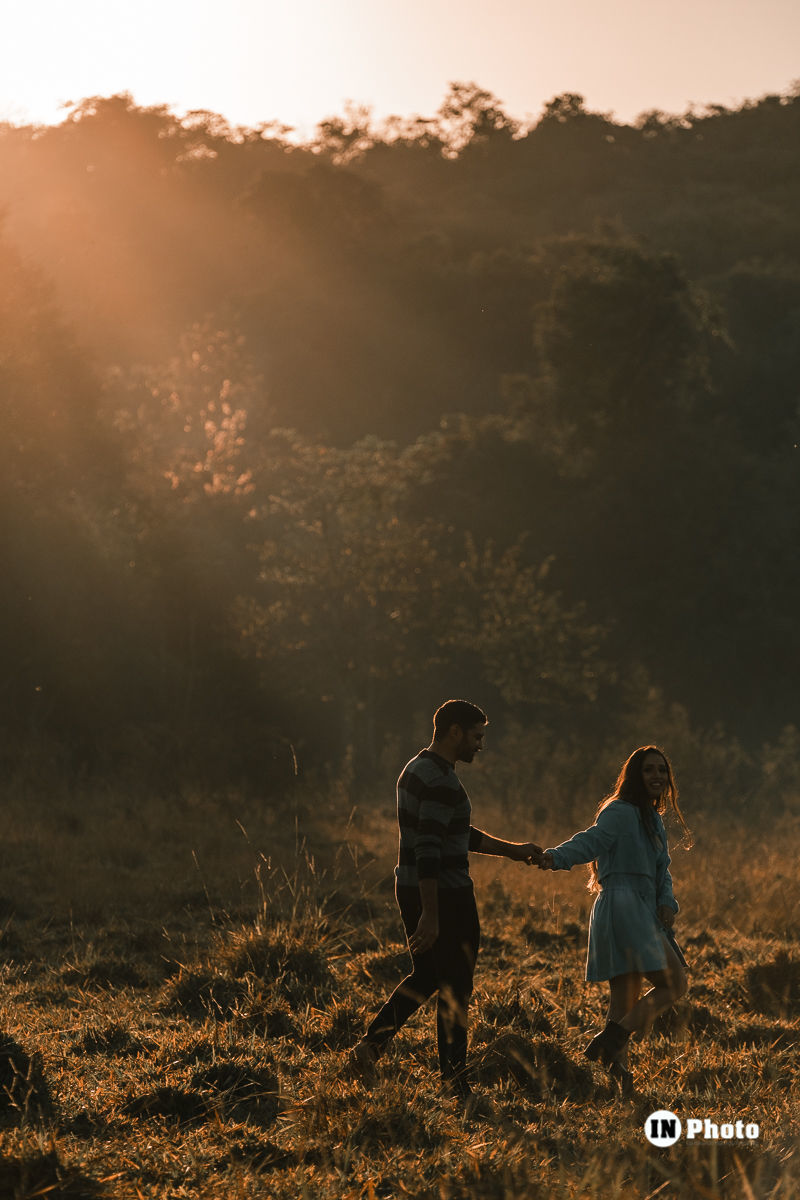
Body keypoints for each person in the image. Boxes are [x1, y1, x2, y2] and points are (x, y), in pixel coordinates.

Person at [349, 699, 541, 1099]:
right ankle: (455, 1082)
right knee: (456, 985)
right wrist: (432, 915)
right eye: (476, 736)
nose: (480, 745)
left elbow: (457, 833)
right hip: (445, 893)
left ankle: (369, 1048)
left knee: (427, 976)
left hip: (411, 885)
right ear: (454, 731)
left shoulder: (416, 769)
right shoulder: (440, 780)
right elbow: (430, 849)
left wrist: (513, 850)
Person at [537, 745, 692, 1094]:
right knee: (675, 983)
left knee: (624, 1000)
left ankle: (618, 1080)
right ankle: (612, 1038)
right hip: (623, 905)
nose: (657, 776)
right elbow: (591, 841)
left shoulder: (651, 819)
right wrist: (555, 856)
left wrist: (668, 902)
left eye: (662, 770)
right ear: (635, 775)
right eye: (649, 770)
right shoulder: (619, 811)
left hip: (642, 907)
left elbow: (661, 869)